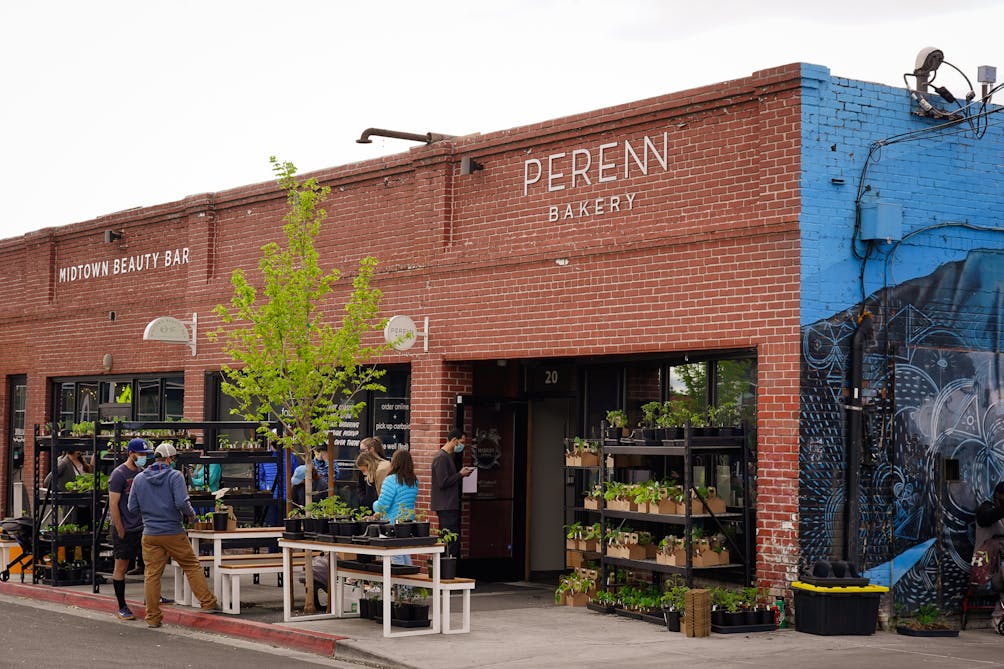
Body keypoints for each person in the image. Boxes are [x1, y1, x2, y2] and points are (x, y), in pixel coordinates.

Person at [128, 442, 218, 628]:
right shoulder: (174, 476)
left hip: (150, 533)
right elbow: (182, 503)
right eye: (174, 458)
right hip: (173, 531)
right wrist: (193, 516)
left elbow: (132, 507)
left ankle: (152, 617)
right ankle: (207, 602)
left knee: (152, 575)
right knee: (191, 565)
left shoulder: (139, 479)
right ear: (169, 459)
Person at [108, 438, 153, 621]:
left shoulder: (142, 474)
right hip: (125, 528)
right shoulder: (118, 474)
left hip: (142, 527)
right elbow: (114, 504)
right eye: (140, 454)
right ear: (130, 454)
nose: (143, 457)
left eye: (145, 454)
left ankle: (152, 598)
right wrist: (120, 529)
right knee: (122, 566)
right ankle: (122, 606)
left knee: (150, 564)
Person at [430, 429, 475, 558]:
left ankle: (447, 569)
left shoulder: (447, 457)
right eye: (461, 442)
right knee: (450, 539)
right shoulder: (441, 458)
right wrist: (460, 474)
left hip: (449, 504)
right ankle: (446, 570)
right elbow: (442, 482)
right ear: (454, 440)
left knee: (451, 538)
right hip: (446, 505)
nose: (462, 446)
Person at [374, 449, 419, 565]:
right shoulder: (413, 481)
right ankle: (409, 581)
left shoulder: (391, 480)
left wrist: (374, 504)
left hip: (392, 524)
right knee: (405, 553)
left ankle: (399, 582)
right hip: (407, 523)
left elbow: (383, 506)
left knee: (395, 557)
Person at [976, 481, 1004, 633]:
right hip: (985, 571)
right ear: (998, 495)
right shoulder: (986, 509)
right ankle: (999, 617)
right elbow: (986, 518)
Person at [355, 437, 387, 507]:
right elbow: (360, 485)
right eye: (360, 451)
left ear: (372, 449)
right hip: (367, 505)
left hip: (379, 505)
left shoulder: (384, 466)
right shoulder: (363, 463)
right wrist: (363, 499)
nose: (361, 453)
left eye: (363, 450)